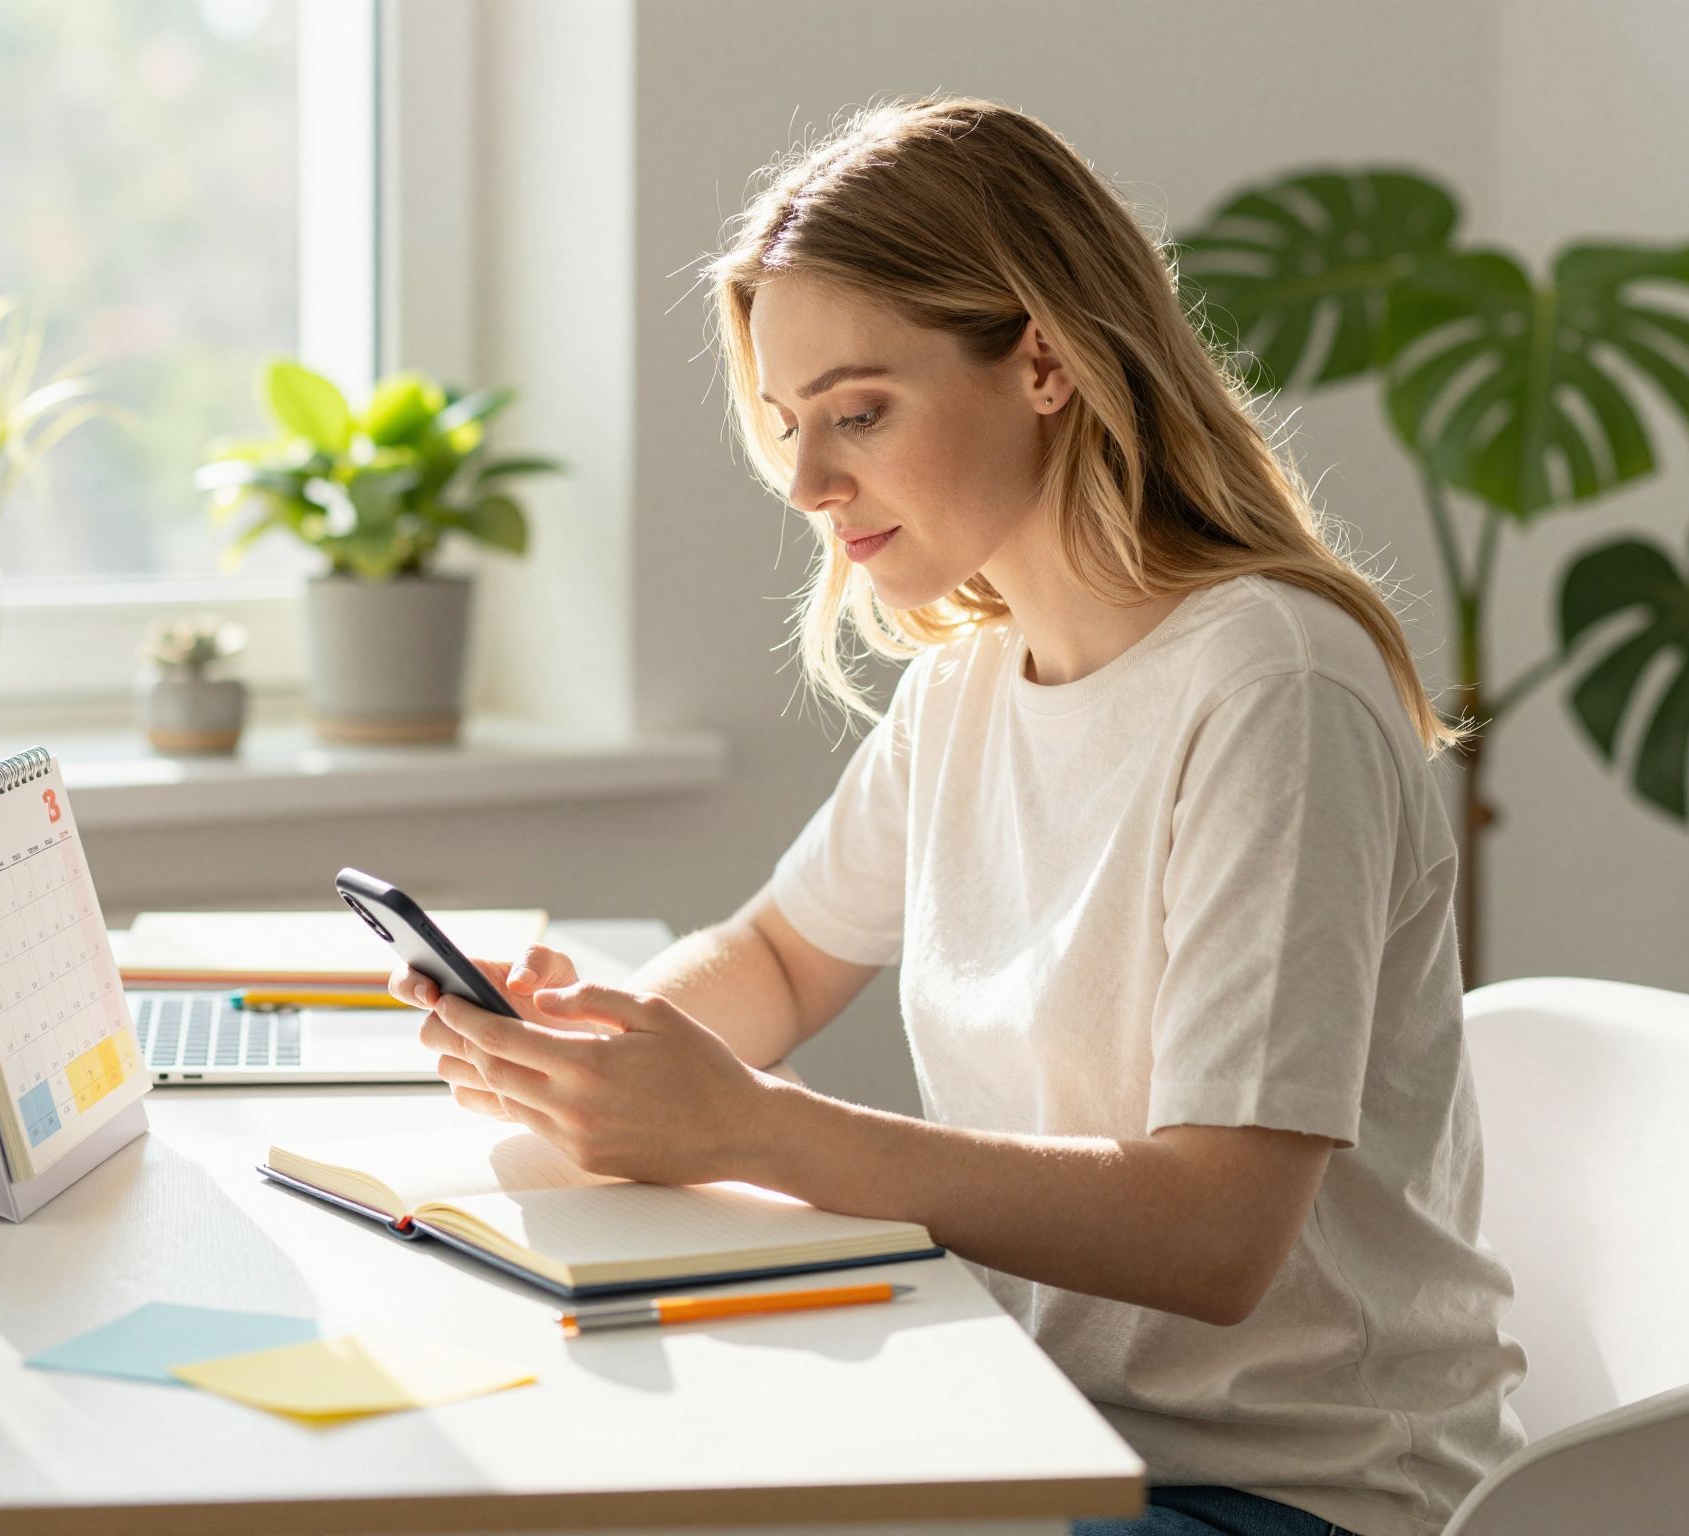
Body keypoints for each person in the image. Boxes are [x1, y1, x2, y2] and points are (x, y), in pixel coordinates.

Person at [390, 97, 1527, 1536]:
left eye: (860, 412)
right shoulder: (972, 683)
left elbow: (1217, 1229)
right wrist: (603, 1058)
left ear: (1045, 359)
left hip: (1280, 1496)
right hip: (1035, 1426)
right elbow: (785, 957)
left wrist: (748, 1128)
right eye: (790, 423)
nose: (808, 483)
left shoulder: (1273, 685)